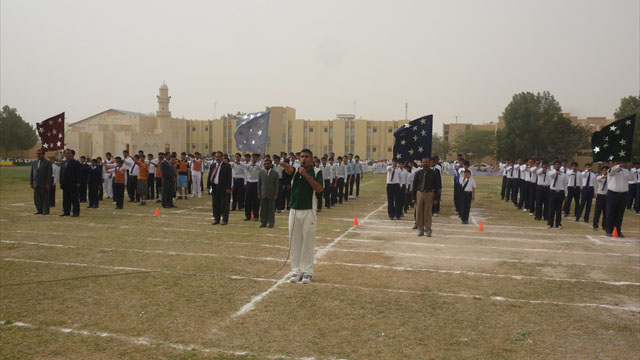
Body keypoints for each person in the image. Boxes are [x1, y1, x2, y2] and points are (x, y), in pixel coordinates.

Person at [281, 148, 323, 284]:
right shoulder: (295, 171)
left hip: (309, 210)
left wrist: (306, 175)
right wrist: (286, 167)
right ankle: (296, 271)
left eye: (306, 157)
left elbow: (319, 188)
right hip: (294, 210)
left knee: (308, 242)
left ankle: (307, 272)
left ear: (311, 159)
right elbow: (289, 172)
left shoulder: (316, 172)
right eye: (301, 157)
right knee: (294, 242)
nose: (303, 159)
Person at [411, 157, 442, 237]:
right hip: (419, 194)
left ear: (429, 163)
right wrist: (413, 198)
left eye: (426, 162)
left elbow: (437, 187)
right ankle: (420, 230)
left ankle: (428, 230)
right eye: (423, 162)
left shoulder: (434, 173)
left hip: (429, 194)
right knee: (419, 213)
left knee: (427, 213)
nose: (425, 163)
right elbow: (414, 186)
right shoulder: (418, 173)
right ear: (421, 163)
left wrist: (436, 198)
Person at [605, 162, 634, 237]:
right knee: (610, 213)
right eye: (618, 163)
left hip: (623, 194)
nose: (621, 164)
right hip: (612, 194)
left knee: (620, 214)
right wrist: (618, 166)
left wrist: (630, 169)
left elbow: (632, 178)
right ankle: (609, 230)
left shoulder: (625, 171)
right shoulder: (611, 170)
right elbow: (611, 171)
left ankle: (618, 230)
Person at [207, 151, 232, 225]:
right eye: (216, 156)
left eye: (219, 156)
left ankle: (225, 219)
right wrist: (208, 186)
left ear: (222, 157)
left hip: (224, 188)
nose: (217, 158)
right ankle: (216, 219)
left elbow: (229, 178)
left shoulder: (227, 166)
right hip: (214, 187)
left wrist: (228, 188)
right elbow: (209, 176)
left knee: (224, 204)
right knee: (215, 204)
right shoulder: (213, 165)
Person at [30, 148, 52, 215]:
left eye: (39, 154)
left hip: (44, 183)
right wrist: (31, 182)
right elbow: (31, 173)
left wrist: (48, 183)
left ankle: (45, 211)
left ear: (43, 154)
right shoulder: (34, 162)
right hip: (36, 183)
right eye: (37, 153)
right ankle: (39, 210)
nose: (38, 155)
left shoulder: (47, 162)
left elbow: (49, 174)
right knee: (37, 198)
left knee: (45, 198)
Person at [258, 158, 279, 228]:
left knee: (271, 210)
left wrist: (276, 194)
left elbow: (276, 185)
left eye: (268, 164)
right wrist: (259, 193)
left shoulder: (275, 173)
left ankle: (271, 223)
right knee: (263, 210)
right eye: (265, 164)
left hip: (272, 194)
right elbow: (259, 184)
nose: (266, 165)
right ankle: (263, 222)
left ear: (270, 164)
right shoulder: (261, 173)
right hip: (263, 193)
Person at [59, 149, 81, 217]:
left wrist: (78, 182)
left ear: (72, 154)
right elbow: (61, 173)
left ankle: (76, 212)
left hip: (73, 183)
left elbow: (79, 173)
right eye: (67, 153)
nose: (68, 155)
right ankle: (66, 211)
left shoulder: (76, 163)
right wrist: (60, 182)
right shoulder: (63, 163)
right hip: (65, 184)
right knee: (65, 199)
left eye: (69, 153)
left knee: (74, 199)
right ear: (64, 154)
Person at [547, 160, 568, 229]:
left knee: (559, 209)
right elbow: (549, 175)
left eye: (559, 164)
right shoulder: (551, 172)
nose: (557, 166)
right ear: (554, 165)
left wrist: (566, 194)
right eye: (556, 164)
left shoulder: (564, 174)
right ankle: (550, 223)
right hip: (553, 191)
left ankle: (558, 223)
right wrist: (555, 172)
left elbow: (565, 185)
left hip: (560, 192)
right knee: (551, 208)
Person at [243, 153, 261, 221]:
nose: (253, 159)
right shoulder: (249, 165)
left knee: (256, 201)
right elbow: (245, 168)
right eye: (252, 157)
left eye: (254, 158)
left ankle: (256, 215)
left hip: (256, 183)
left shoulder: (259, 165)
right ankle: (247, 215)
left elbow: (262, 170)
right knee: (248, 200)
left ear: (257, 158)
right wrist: (245, 183)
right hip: (249, 183)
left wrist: (256, 165)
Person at [592, 166, 608, 231]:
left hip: (607, 196)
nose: (605, 171)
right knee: (597, 212)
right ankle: (595, 225)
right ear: (602, 171)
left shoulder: (610, 178)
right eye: (604, 170)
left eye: (607, 170)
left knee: (606, 212)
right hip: (600, 195)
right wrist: (605, 176)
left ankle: (604, 226)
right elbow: (599, 179)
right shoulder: (599, 177)